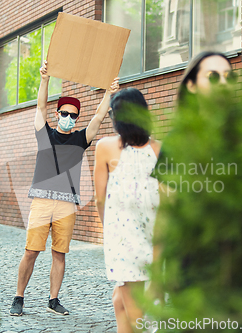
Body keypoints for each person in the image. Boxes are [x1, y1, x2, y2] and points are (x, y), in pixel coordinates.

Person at [9, 60, 119, 316]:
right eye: (65, 113)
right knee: (31, 251)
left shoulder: (81, 139)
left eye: (74, 115)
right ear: (57, 113)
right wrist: (45, 79)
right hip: (41, 201)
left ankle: (53, 299)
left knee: (60, 254)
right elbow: (39, 106)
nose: (69, 118)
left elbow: (99, 116)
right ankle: (18, 297)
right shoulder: (44, 134)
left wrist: (109, 94)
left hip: (67, 204)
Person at [94, 88, 161, 332]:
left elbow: (99, 199)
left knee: (136, 316)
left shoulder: (106, 147)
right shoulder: (159, 149)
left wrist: (109, 228)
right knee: (119, 302)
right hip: (152, 238)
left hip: (124, 240)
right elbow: (167, 200)